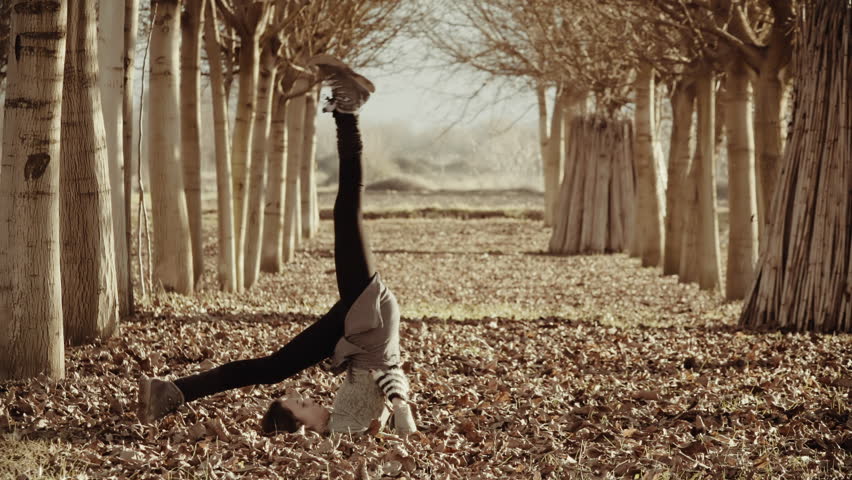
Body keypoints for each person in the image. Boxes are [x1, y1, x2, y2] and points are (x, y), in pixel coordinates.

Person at [137, 55, 416, 436]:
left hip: (360, 326)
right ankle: (347, 112)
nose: (307, 400)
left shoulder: (339, 427)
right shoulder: (346, 429)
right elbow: (390, 377)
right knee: (349, 207)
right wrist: (402, 408)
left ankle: (172, 391)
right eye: (303, 407)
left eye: (300, 406)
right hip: (369, 321)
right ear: (308, 430)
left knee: (272, 368)